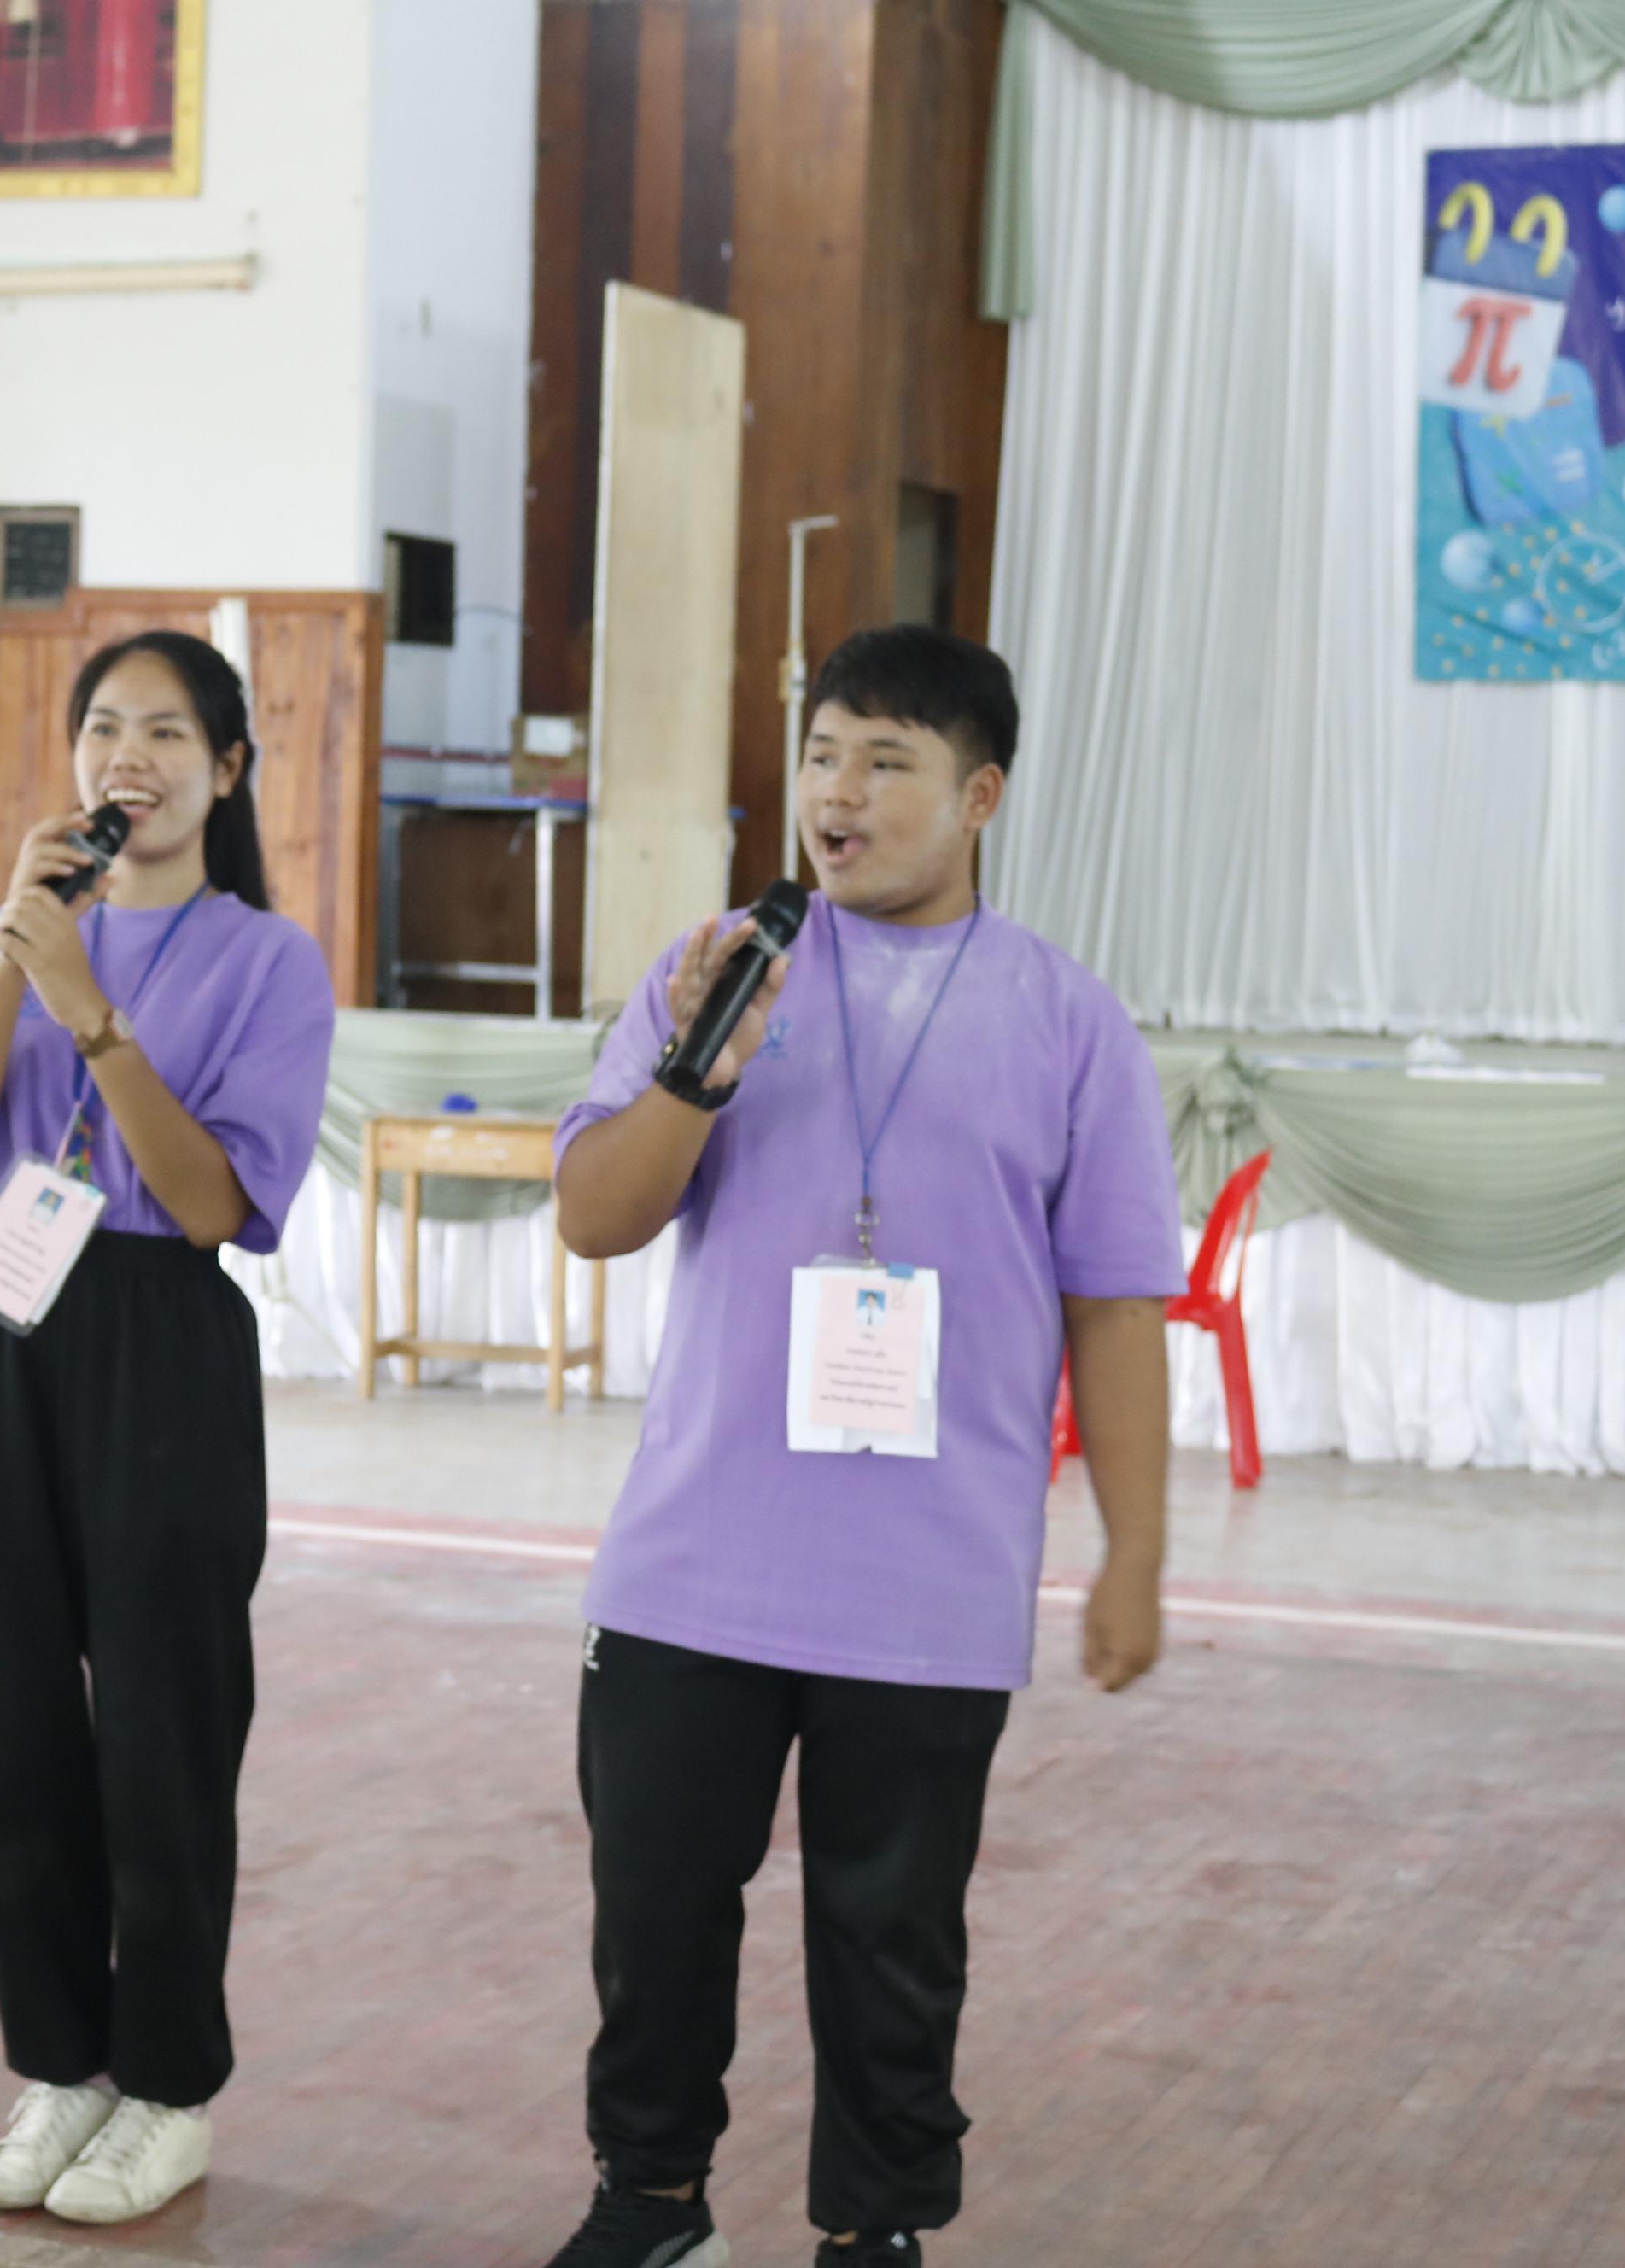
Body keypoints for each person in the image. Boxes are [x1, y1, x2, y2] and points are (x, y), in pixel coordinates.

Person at [535, 626, 1182, 2268]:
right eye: (823, 754)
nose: (840, 791)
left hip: (929, 1583)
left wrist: (1136, 1560)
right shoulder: (713, 972)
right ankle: (651, 2201)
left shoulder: (1069, 1020)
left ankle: (875, 2229)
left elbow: (1116, 1310)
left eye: (887, 761)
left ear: (979, 797)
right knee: (655, 1920)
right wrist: (699, 1068)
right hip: (693, 1565)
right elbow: (597, 1219)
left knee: (895, 1943)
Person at [0, 629, 334, 2226]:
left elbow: (216, 1202)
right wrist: (17, 962)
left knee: (161, 1736)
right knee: (7, 1729)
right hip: (4, 1331)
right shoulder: (0, 940)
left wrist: (94, 1016)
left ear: (225, 768)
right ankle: (62, 2063)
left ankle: (169, 2088)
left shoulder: (269, 963)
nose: (124, 756)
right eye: (101, 728)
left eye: (162, 730)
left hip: (161, 1341)